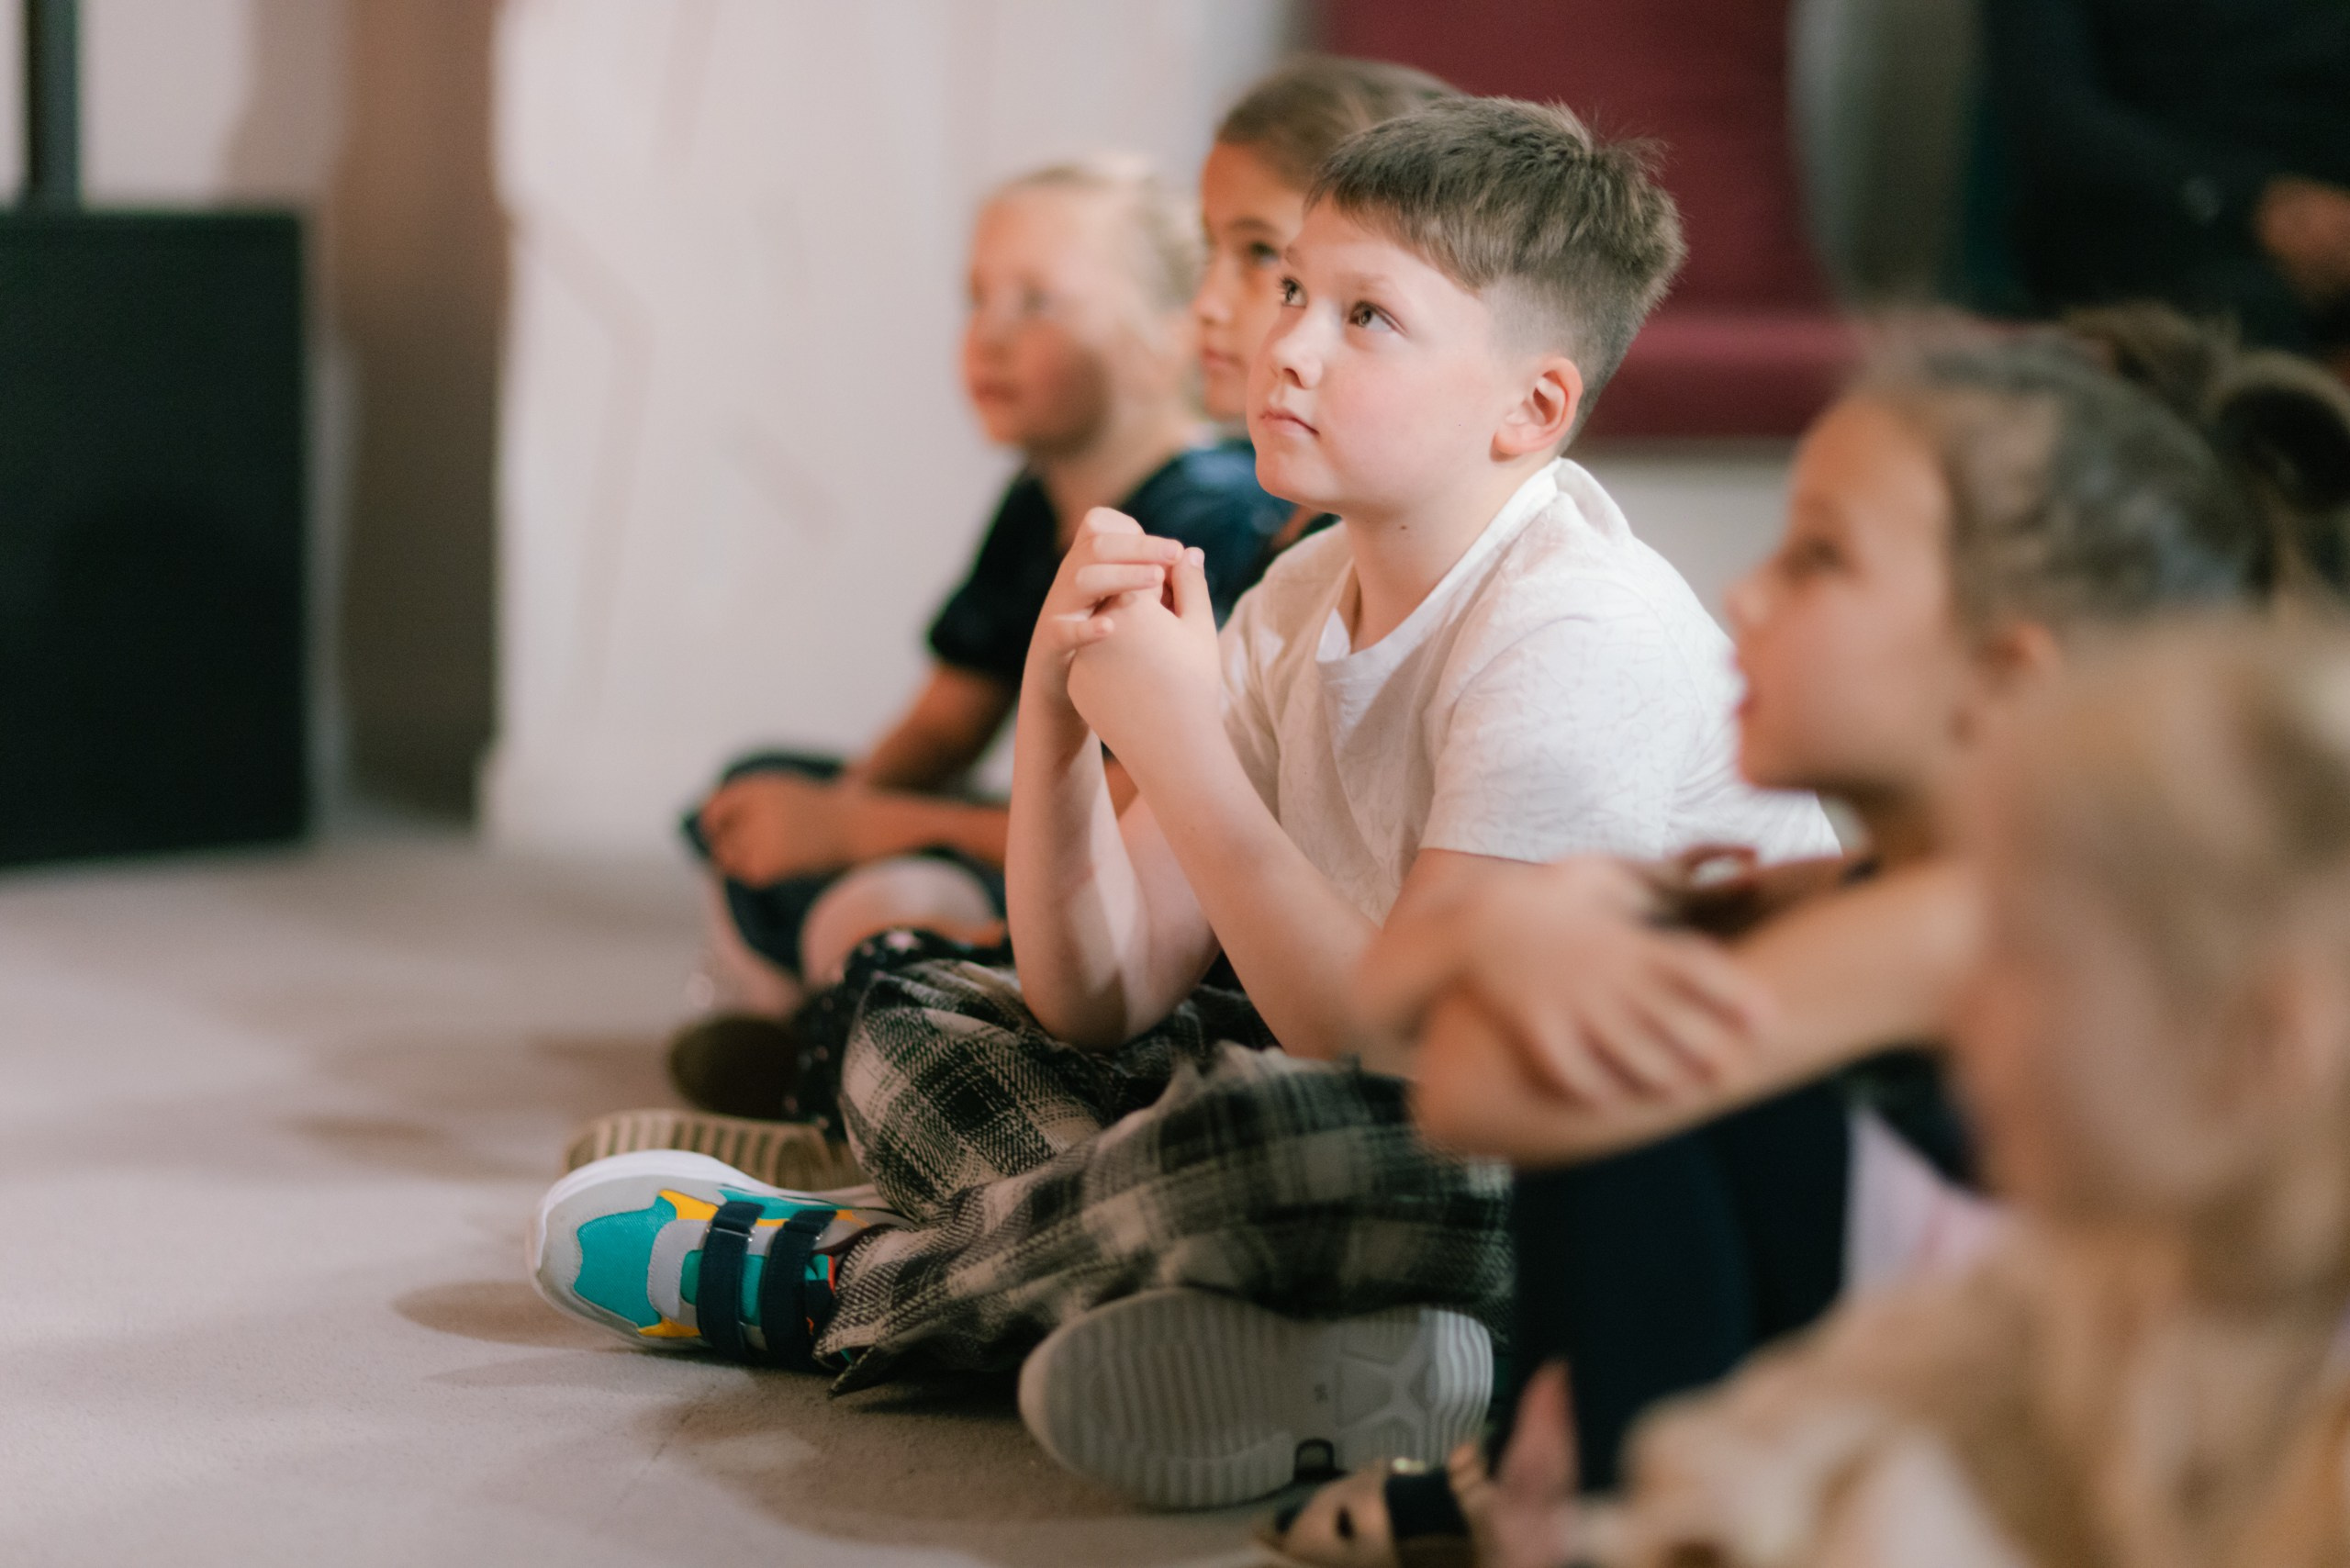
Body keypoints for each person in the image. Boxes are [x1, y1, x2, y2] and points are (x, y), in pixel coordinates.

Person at [528, 95, 1837, 1509]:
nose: (1286, 345)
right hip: (1363, 1098)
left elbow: (1391, 1044)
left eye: (1367, 318)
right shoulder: (1298, 591)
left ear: (1532, 408)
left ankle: (843, 1271)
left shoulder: (1575, 631)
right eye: (1292, 290)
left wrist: (1189, 750)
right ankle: (1296, 1341)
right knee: (912, 1001)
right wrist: (1054, 710)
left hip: (1589, 1182)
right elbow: (1092, 992)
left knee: (1268, 1139)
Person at [1266, 308, 2350, 1565]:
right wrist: (1542, 920)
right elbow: (1405, 1003)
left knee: (1631, 1063)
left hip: (2127, 1449)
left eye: (1819, 559)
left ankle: (1565, 1494)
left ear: (2004, 677)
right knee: (1617, 1015)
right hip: (1926, 1380)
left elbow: (1481, 1086)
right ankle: (1534, 1475)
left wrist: (1543, 932)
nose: (1746, 591)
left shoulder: (1984, 915)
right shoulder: (1849, 886)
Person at [564, 64, 1457, 1182]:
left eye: (1261, 259)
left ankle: (856, 1148)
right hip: (1167, 933)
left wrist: (857, 833)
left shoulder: (1231, 529)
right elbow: (1006, 792)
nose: (1217, 302)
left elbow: (1197, 859)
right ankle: (855, 1100)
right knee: (883, 927)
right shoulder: (1287, 578)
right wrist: (849, 806)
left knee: (900, 940)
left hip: (1267, 1006)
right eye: (1225, 257)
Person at [1482, 615, 2350, 1568]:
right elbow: (1755, 1444)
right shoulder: (2092, 1281)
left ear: (2261, 1041)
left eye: (2028, 959)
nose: (1962, 1009)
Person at [654, 154, 1290, 1133]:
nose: (986, 335)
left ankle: (838, 1043)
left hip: (1128, 889)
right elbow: (947, 719)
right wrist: (827, 809)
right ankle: (817, 1024)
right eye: (976, 298)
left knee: (889, 890)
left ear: (1168, 339)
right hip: (1037, 831)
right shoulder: (1035, 499)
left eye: (1037, 301)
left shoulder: (1202, 520)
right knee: (762, 781)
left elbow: (1137, 830)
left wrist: (853, 833)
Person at [1984, 0, 2350, 371]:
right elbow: (2054, 122)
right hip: (2152, 231)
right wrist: (2254, 205)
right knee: (2247, 318)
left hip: (2328, 229)